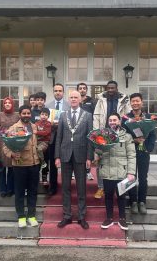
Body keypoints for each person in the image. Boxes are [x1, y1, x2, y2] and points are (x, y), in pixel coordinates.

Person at [55, 91, 93, 229]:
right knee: (65, 187)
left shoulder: (87, 116)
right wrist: (57, 156)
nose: (73, 99)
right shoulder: (63, 115)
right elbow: (58, 136)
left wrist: (90, 156)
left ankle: (82, 216)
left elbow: (90, 137)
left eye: (76, 97)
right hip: (65, 155)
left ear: (80, 99)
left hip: (81, 155)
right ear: (68, 99)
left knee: (81, 187)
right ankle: (67, 215)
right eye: (71, 97)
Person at [2, 105, 40, 228]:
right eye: (24, 113)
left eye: (28, 113)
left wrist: (41, 148)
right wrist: (12, 154)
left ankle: (31, 215)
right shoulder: (13, 128)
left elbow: (40, 142)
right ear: (20, 114)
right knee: (19, 192)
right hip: (20, 165)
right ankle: (21, 216)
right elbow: (5, 146)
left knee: (33, 191)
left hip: (34, 164)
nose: (26, 115)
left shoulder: (34, 127)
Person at [92, 80, 131, 199]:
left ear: (117, 88)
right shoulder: (100, 100)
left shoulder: (124, 100)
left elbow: (128, 116)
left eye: (112, 88)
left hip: (119, 134)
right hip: (104, 134)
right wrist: (97, 134)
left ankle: (121, 187)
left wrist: (124, 132)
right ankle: (101, 187)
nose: (110, 90)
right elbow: (96, 117)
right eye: (108, 88)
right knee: (101, 161)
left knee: (120, 160)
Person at [96, 113, 136, 231]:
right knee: (108, 195)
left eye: (115, 120)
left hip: (122, 170)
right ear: (108, 122)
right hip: (107, 169)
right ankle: (109, 218)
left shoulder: (127, 136)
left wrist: (131, 172)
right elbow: (98, 152)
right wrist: (98, 150)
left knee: (121, 196)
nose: (112, 122)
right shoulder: (102, 135)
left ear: (119, 121)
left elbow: (132, 155)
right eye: (110, 120)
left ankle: (122, 218)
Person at [122, 93, 156, 215]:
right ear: (130, 103)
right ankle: (133, 202)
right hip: (131, 151)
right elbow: (123, 134)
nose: (135, 103)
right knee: (131, 176)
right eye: (133, 101)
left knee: (143, 178)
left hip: (144, 152)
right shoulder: (125, 118)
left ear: (142, 102)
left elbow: (152, 135)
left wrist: (149, 148)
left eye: (137, 101)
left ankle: (142, 202)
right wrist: (133, 140)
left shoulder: (149, 118)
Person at [0, 96, 19, 197]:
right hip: (1, 143)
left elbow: (20, 129)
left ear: (12, 104)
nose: (7, 104)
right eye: (5, 103)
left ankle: (10, 189)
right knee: (1, 167)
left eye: (9, 103)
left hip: (12, 143)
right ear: (3, 104)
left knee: (11, 168)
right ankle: (2, 189)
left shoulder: (17, 116)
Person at [45, 83, 70, 196]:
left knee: (66, 163)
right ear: (53, 92)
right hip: (52, 138)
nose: (58, 92)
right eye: (56, 91)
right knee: (53, 164)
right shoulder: (47, 105)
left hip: (65, 138)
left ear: (63, 92)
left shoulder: (69, 105)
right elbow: (44, 122)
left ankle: (66, 186)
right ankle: (53, 186)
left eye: (60, 90)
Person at [77, 82, 98, 180]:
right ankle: (74, 172)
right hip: (76, 129)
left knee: (88, 151)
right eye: (80, 88)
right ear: (78, 90)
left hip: (88, 129)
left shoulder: (92, 101)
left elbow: (95, 114)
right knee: (76, 150)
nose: (82, 90)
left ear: (86, 90)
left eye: (84, 88)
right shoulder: (75, 100)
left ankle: (88, 171)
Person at [35, 107, 52, 184]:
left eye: (46, 115)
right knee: (36, 162)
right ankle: (36, 178)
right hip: (37, 142)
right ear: (39, 115)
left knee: (40, 151)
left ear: (48, 116)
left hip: (45, 142)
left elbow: (46, 133)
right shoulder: (36, 123)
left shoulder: (48, 124)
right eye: (42, 114)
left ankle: (45, 178)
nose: (44, 116)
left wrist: (37, 132)